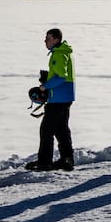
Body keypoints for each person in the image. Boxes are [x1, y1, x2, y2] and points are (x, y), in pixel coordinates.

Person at [26, 28, 76, 171]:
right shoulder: (63, 52)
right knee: (61, 130)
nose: (45, 41)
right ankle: (67, 159)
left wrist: (44, 86)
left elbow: (61, 76)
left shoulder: (59, 55)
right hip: (64, 96)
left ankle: (44, 162)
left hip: (58, 98)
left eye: (48, 38)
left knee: (46, 130)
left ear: (56, 39)